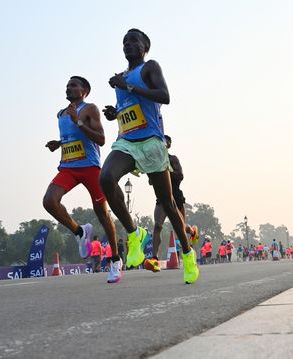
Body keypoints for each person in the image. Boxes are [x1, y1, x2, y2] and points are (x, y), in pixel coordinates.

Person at [100, 28, 199, 284]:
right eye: (124, 41)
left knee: (167, 202)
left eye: (134, 41)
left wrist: (129, 87)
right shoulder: (120, 77)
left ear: (145, 46)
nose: (128, 44)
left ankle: (188, 254)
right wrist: (117, 113)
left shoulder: (149, 68)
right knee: (106, 178)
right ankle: (135, 234)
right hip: (128, 141)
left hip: (152, 142)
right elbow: (132, 110)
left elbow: (164, 97)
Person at [42, 76, 120, 283]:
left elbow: (101, 139)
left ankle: (115, 260)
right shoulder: (61, 114)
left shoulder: (90, 109)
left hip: (90, 167)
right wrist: (59, 143)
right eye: (67, 85)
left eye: (73, 85)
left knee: (102, 214)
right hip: (68, 167)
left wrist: (78, 120)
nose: (69, 88)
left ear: (84, 90)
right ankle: (79, 231)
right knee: (49, 201)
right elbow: (73, 136)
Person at [144, 135, 199, 272]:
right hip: (161, 198)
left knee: (180, 227)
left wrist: (165, 171)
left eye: (165, 141)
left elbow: (180, 175)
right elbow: (151, 181)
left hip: (175, 196)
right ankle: (154, 259)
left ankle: (192, 231)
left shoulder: (173, 159)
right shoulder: (154, 161)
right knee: (157, 225)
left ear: (169, 145)